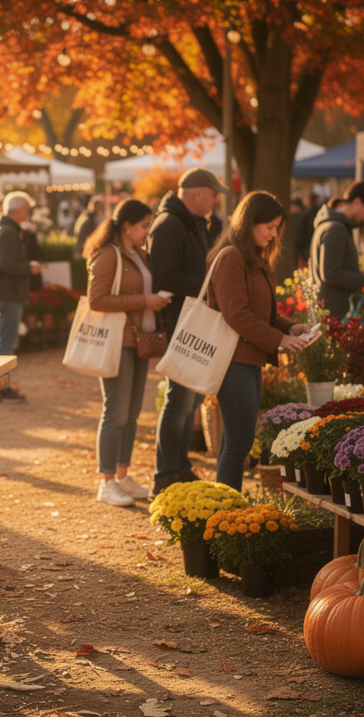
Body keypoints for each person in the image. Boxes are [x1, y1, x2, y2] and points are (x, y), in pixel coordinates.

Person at [205, 191, 311, 491]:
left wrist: (290, 328)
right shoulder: (232, 257)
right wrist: (279, 339)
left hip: (247, 358)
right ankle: (227, 507)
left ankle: (226, 503)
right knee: (239, 443)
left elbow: (263, 312)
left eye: (277, 227)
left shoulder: (255, 258)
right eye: (269, 226)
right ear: (249, 222)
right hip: (232, 360)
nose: (274, 234)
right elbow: (236, 314)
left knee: (236, 441)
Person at [83, 199, 170, 506]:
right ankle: (106, 482)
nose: (148, 231)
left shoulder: (137, 254)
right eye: (145, 226)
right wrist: (143, 301)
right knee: (116, 412)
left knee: (131, 414)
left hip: (139, 339)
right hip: (117, 341)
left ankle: (122, 476)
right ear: (127, 226)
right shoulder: (109, 254)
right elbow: (96, 300)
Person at [148, 167, 226, 495]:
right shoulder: (170, 224)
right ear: (198, 193)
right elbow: (164, 277)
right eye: (214, 194)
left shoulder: (188, 222)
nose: (216, 200)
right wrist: (207, 285)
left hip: (190, 322)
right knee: (179, 402)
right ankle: (165, 476)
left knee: (188, 402)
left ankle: (178, 469)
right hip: (181, 324)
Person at [0, 190, 43, 403]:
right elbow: (7, 263)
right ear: (19, 209)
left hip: (4, 292)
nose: (28, 213)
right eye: (27, 209)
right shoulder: (9, 231)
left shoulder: (2, 227)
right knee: (6, 342)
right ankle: (2, 387)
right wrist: (29, 268)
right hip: (9, 292)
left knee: (3, 340)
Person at [309, 181, 364, 316]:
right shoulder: (336, 228)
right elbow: (330, 274)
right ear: (357, 202)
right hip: (334, 311)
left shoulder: (333, 225)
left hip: (331, 308)